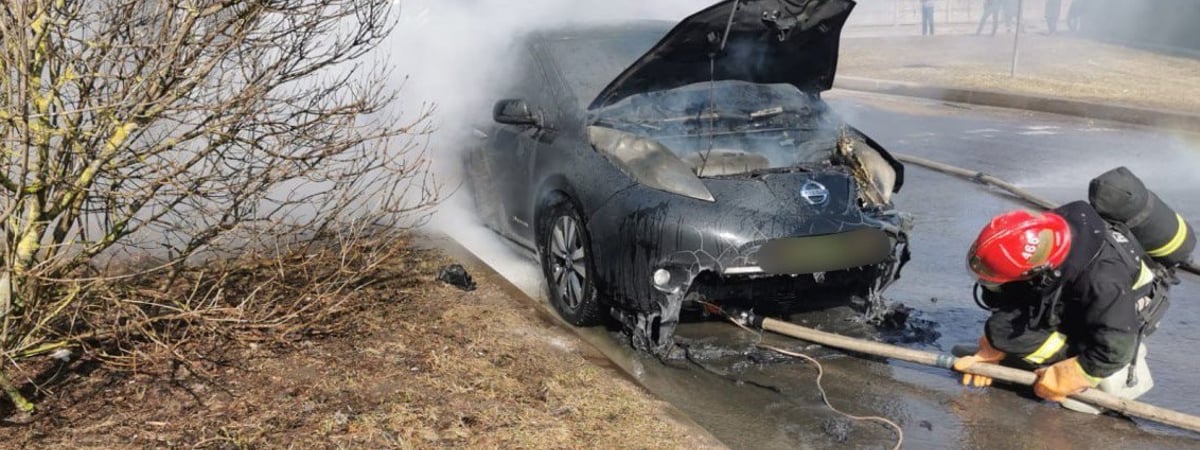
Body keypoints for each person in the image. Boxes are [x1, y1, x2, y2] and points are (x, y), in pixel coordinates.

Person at [954, 202, 1171, 414]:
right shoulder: (1051, 233)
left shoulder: (1102, 281)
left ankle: (1085, 363)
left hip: (1124, 320)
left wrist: (1071, 375)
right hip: (1091, 299)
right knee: (1001, 324)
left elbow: (1117, 349)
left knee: (1005, 332)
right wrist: (992, 348)